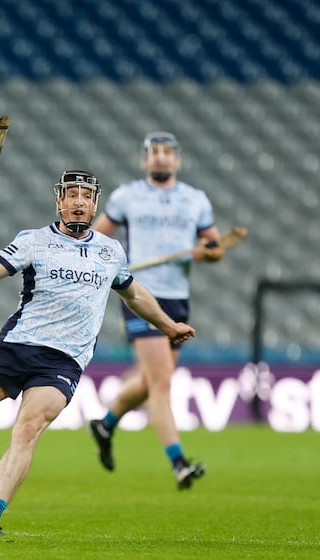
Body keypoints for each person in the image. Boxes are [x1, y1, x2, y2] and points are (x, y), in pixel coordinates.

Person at [0, 169, 195, 536]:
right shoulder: (34, 241)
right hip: (14, 349)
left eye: (86, 196)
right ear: (59, 201)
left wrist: (169, 326)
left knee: (27, 430)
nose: (78, 202)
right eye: (71, 195)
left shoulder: (110, 251)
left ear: (94, 205)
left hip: (63, 363)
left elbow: (134, 294)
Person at [89, 132, 225, 490]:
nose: (161, 158)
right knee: (162, 382)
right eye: (155, 153)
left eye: (168, 153)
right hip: (140, 296)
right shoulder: (127, 197)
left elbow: (215, 246)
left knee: (151, 383)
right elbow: (94, 240)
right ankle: (179, 462)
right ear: (145, 160)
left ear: (176, 160)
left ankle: (105, 424)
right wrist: (109, 265)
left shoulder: (195, 200)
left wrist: (205, 250)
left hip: (178, 298)